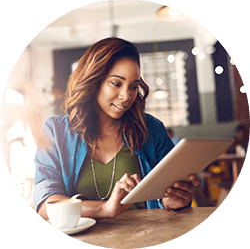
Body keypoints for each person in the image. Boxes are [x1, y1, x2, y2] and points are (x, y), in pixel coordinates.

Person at [34, 38, 201, 220]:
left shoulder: (151, 129)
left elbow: (168, 196)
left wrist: (173, 201)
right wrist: (104, 209)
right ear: (93, 81)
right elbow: (45, 204)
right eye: (116, 83)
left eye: (134, 87)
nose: (126, 96)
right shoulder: (56, 131)